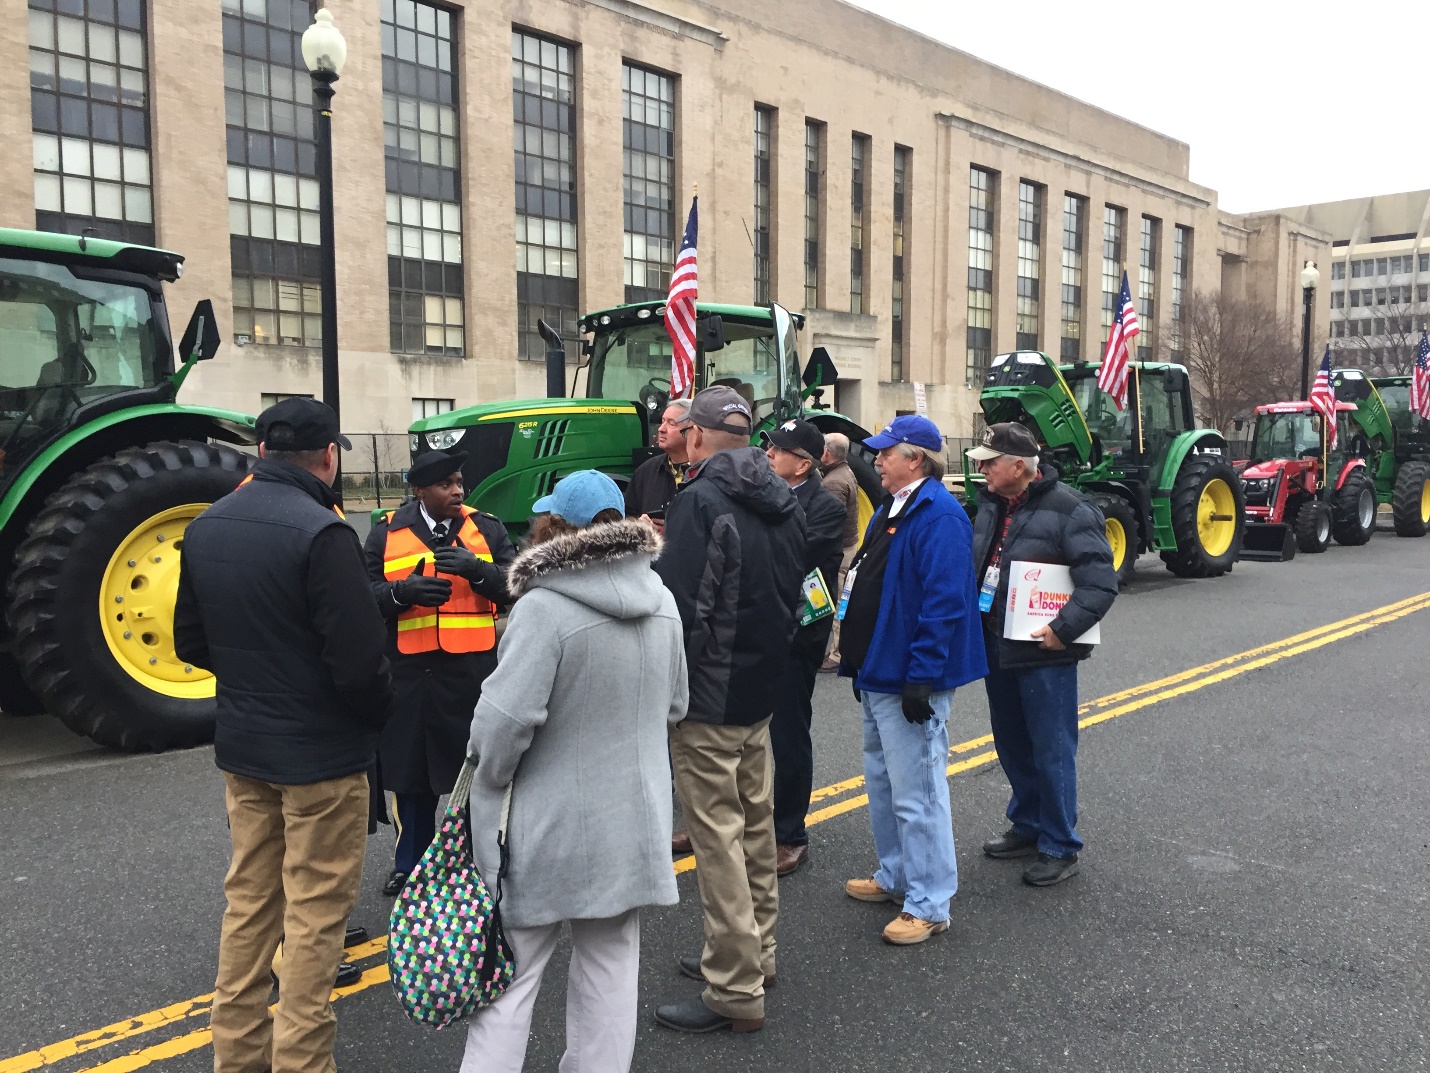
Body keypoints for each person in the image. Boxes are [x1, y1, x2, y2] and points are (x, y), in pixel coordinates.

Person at [174, 397, 394, 1073]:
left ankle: (237, 1057)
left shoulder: (208, 525)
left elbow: (190, 639)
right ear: (328, 457)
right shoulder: (322, 532)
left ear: (263, 452)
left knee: (249, 906)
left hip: (246, 746)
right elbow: (358, 665)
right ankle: (303, 1062)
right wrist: (373, 716)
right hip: (322, 756)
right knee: (314, 919)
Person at [460, 471, 686, 1073]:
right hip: (629, 821)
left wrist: (488, 785)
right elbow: (675, 706)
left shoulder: (544, 608)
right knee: (611, 973)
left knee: (509, 980)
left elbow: (502, 728)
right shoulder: (662, 600)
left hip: (544, 826)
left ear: (554, 526)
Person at [652, 385, 805, 1034]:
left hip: (709, 696)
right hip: (761, 688)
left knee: (717, 843)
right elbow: (795, 593)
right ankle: (754, 955)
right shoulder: (786, 500)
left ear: (695, 437)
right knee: (752, 831)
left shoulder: (700, 501)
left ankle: (735, 988)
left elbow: (681, 607)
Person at [837, 414, 986, 945]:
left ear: (915, 459)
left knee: (918, 790)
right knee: (883, 783)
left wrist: (921, 675)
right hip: (880, 671)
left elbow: (943, 604)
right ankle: (897, 874)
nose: (876, 460)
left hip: (906, 676)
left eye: (885, 452)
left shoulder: (939, 515)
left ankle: (929, 901)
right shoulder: (893, 507)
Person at [968, 422, 1116, 886]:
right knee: (1011, 741)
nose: (981, 468)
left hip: (1044, 650)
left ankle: (1059, 843)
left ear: (1019, 466)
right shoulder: (991, 507)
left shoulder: (1071, 509)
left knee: (1051, 748)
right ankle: (1028, 823)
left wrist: (1061, 630)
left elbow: (1099, 583)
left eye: (989, 461)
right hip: (997, 641)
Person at [363, 450, 516, 896]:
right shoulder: (386, 533)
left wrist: (478, 571)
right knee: (410, 779)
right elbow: (362, 595)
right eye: (447, 484)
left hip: (470, 676)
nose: (458, 491)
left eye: (459, 482)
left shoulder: (486, 528)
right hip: (409, 677)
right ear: (420, 490)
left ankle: (468, 861)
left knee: (471, 776)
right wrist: (400, 594)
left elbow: (517, 583)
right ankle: (411, 863)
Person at [763, 419, 848, 876]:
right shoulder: (767, 494)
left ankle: (790, 834)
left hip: (797, 634)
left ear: (804, 463)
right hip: (757, 630)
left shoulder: (825, 506)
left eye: (779, 450)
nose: (769, 455)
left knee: (788, 734)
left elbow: (791, 558)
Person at [818, 432, 861, 671]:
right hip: (849, 546)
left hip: (841, 551)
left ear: (826, 453)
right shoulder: (847, 472)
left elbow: (830, 522)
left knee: (838, 603)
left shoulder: (832, 482)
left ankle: (837, 654)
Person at [624, 398, 693, 520]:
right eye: (662, 421)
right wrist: (640, 526)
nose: (661, 429)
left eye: (671, 423)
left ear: (691, 430)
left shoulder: (708, 472)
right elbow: (628, 515)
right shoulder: (645, 471)